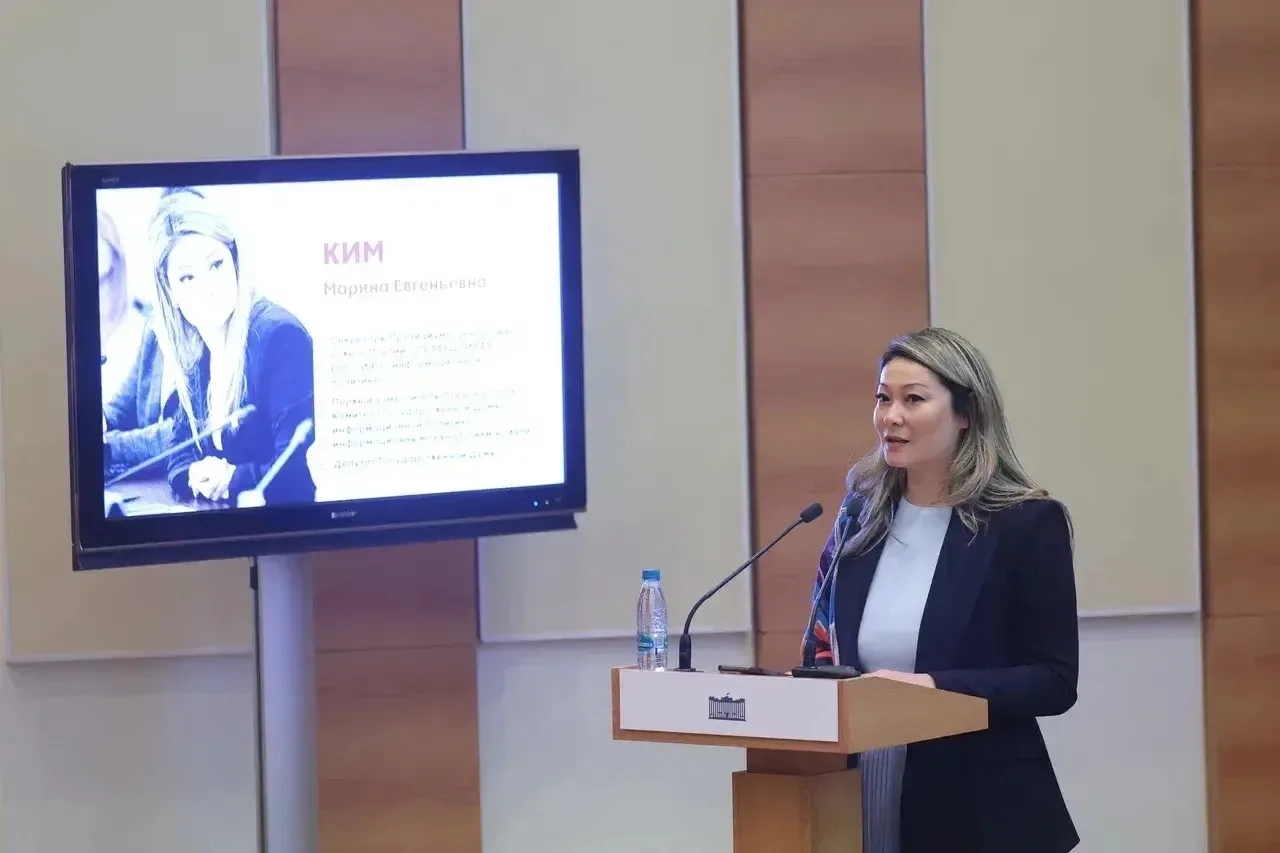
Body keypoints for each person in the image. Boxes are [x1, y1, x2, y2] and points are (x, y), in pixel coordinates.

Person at [808, 327, 1079, 853]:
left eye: (913, 399)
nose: (890, 416)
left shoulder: (1025, 523)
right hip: (857, 785)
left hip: (975, 802)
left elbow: (1053, 680)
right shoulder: (859, 517)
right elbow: (822, 646)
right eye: (883, 398)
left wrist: (930, 688)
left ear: (966, 413)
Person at [148, 186, 317, 506]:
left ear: (235, 263)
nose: (208, 287)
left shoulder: (279, 337)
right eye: (187, 278)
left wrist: (231, 479)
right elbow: (178, 455)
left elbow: (295, 472)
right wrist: (194, 473)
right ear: (171, 293)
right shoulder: (197, 348)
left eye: (216, 265)